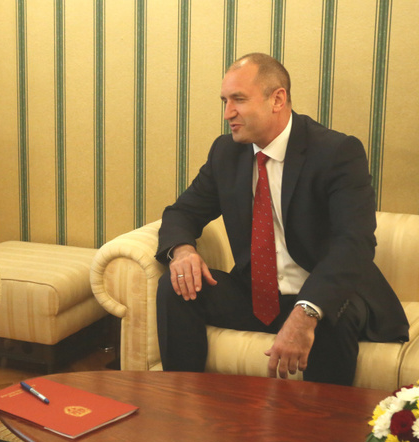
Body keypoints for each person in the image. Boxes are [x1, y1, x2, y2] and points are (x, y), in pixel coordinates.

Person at [155, 53, 408, 385]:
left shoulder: (336, 152)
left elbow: (354, 243)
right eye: (225, 101)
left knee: (330, 315)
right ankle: (182, 401)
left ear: (277, 99)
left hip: (324, 292)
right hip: (256, 295)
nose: (228, 113)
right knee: (176, 288)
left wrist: (305, 312)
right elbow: (182, 212)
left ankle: (321, 418)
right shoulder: (226, 153)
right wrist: (183, 251)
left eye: (238, 99)